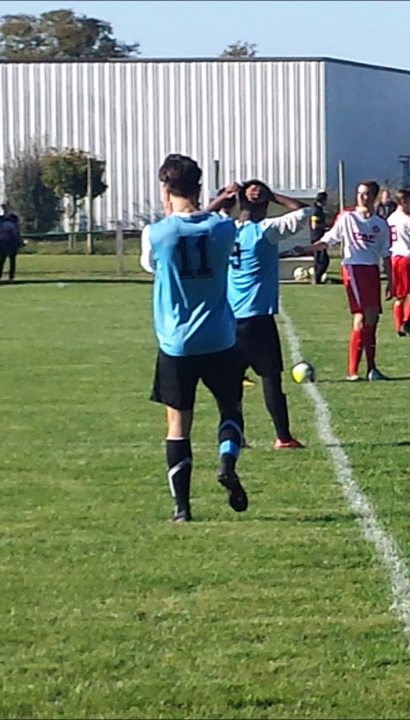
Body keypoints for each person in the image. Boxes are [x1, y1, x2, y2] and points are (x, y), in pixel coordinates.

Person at [140, 153, 247, 523]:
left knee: (177, 424)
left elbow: (150, 265)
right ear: (200, 187)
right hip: (219, 338)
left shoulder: (156, 234)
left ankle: (182, 508)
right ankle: (227, 461)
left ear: (165, 188)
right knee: (230, 409)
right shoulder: (222, 229)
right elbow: (218, 225)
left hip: (176, 342)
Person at [229, 179, 315, 449]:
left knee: (231, 384)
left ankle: (236, 436)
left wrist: (231, 196)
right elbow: (304, 211)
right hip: (257, 317)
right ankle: (283, 437)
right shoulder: (265, 230)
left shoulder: (226, 230)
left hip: (229, 317)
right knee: (270, 379)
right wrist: (272, 195)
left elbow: (210, 212)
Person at [304, 180, 392, 381]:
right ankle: (352, 371)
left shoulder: (380, 224)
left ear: (374, 196)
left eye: (367, 193)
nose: (362, 197)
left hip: (371, 271)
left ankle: (371, 369)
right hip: (353, 268)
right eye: (360, 192)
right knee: (361, 317)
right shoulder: (347, 217)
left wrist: (391, 281)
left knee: (373, 319)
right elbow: (328, 240)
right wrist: (307, 249)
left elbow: (386, 254)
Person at [387, 189, 410, 337]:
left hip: (394, 257)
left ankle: (398, 327)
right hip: (407, 257)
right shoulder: (408, 219)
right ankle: (406, 323)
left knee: (399, 295)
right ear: (404, 201)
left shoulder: (390, 218)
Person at [0, 203, 23, 283]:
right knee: (2, 260)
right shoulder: (0, 219)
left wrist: (19, 239)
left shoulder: (14, 219)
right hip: (3, 241)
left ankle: (11, 277)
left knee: (12, 260)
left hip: (12, 241)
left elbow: (17, 229)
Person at [310, 190, 331, 285]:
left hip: (320, 237)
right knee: (322, 260)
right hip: (317, 238)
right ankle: (316, 278)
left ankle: (317, 278)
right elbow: (314, 225)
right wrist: (325, 227)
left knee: (321, 259)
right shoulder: (316, 211)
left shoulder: (319, 209)